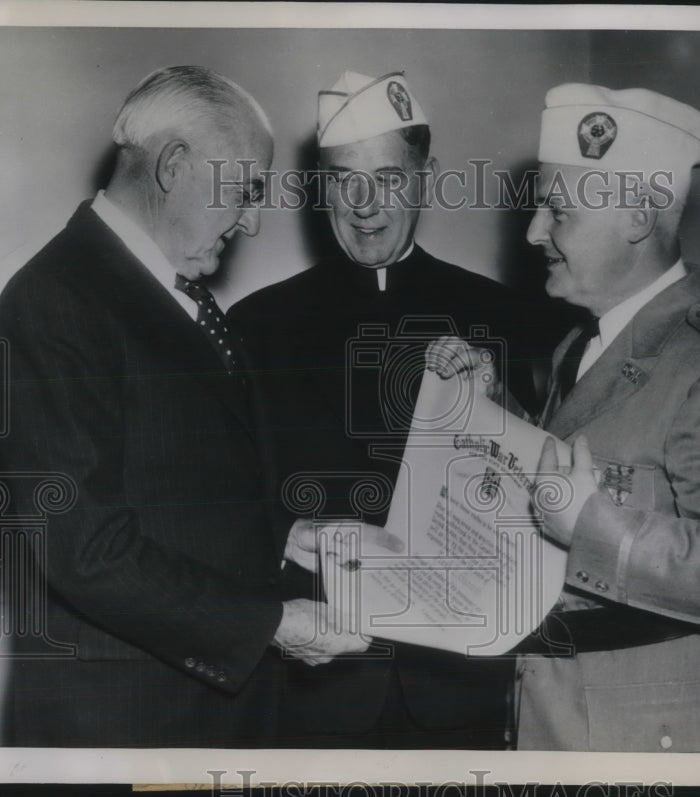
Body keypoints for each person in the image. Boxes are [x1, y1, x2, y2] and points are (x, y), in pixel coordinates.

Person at [0, 65, 367, 748]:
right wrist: (271, 623)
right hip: (124, 728)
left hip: (198, 716)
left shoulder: (174, 293)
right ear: (175, 166)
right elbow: (86, 551)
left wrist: (280, 534)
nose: (252, 220)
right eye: (244, 191)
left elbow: (169, 485)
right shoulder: (53, 299)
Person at [429, 83, 700, 752]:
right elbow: (586, 463)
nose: (533, 232)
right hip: (579, 719)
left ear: (638, 216)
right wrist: (489, 410)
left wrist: (593, 527)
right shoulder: (582, 345)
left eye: (558, 212)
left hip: (680, 743)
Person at [229, 70, 534, 749]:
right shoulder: (255, 327)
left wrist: (494, 410)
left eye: (389, 179)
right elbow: (222, 500)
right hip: (313, 685)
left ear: (427, 178)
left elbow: (542, 496)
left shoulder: (503, 317)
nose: (364, 206)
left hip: (462, 689)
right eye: (344, 180)